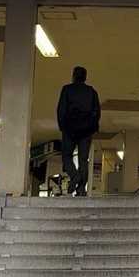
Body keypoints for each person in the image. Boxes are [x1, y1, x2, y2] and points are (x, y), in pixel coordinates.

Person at [56, 65, 100, 197]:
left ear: (73, 76)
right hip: (86, 130)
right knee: (83, 160)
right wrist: (92, 127)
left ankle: (75, 176)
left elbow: (61, 109)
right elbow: (97, 112)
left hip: (70, 128)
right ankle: (81, 189)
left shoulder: (67, 89)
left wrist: (62, 126)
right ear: (85, 77)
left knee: (66, 156)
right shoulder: (92, 92)